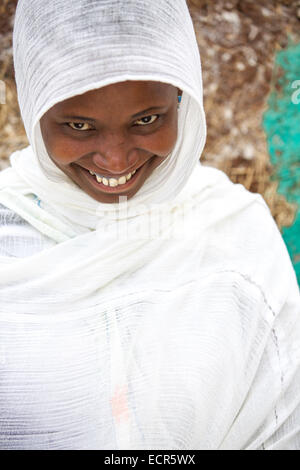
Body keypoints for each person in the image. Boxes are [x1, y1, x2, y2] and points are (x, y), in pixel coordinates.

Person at [0, 0, 299, 450]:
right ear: (34, 106)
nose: (116, 160)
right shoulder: (7, 235)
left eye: (146, 120)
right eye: (79, 125)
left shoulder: (234, 231)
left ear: (182, 99)